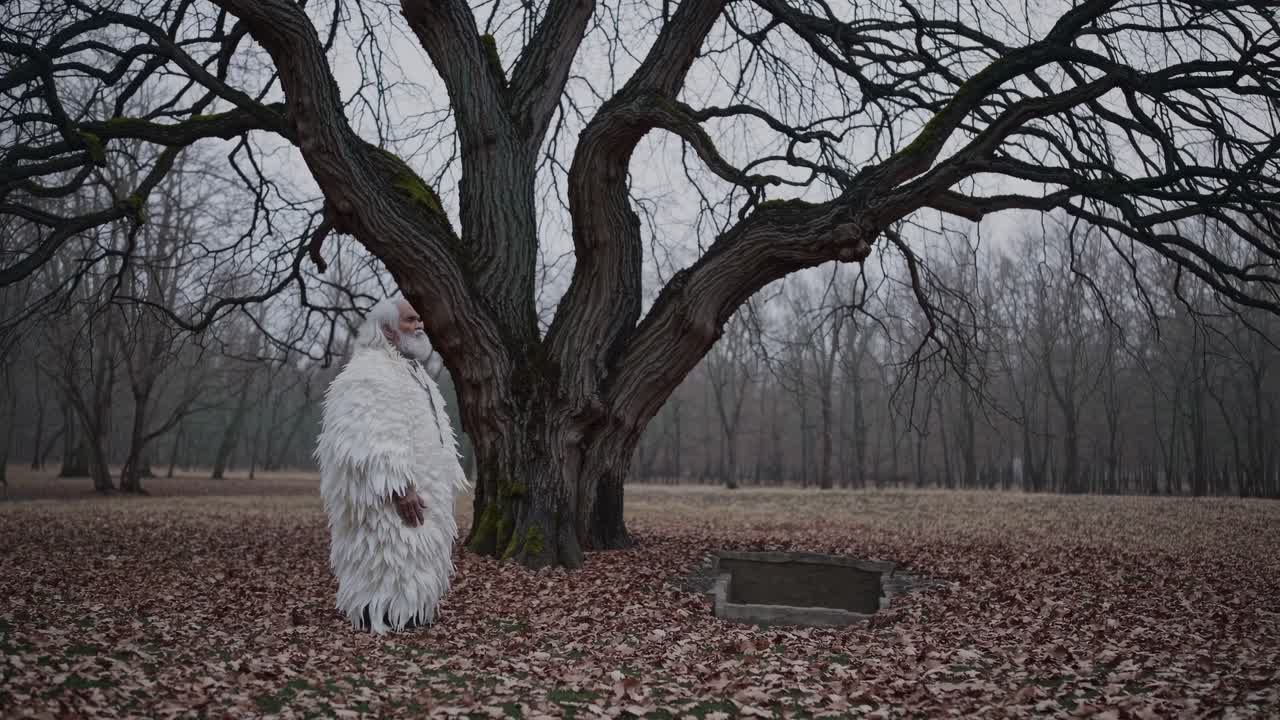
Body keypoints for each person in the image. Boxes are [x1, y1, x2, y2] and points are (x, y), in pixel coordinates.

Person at [316, 296, 469, 633]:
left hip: (426, 492)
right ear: (386, 328)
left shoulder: (415, 374)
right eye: (410, 320)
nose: (419, 326)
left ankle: (414, 612)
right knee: (387, 555)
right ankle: (381, 616)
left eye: (419, 319)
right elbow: (368, 436)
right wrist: (399, 486)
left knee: (418, 556)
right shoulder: (369, 372)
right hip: (391, 496)